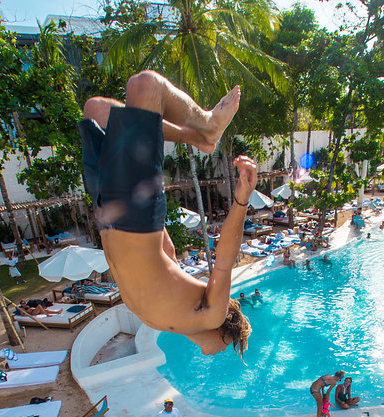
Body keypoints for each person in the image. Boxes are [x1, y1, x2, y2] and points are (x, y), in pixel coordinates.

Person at [80, 71, 254, 358]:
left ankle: (200, 139)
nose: (215, 354)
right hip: (134, 219)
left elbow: (168, 251)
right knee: (145, 85)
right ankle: (209, 126)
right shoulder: (211, 315)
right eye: (227, 348)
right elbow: (224, 258)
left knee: (96, 111)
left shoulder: (165, 320)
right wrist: (241, 201)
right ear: (226, 334)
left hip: (106, 211)